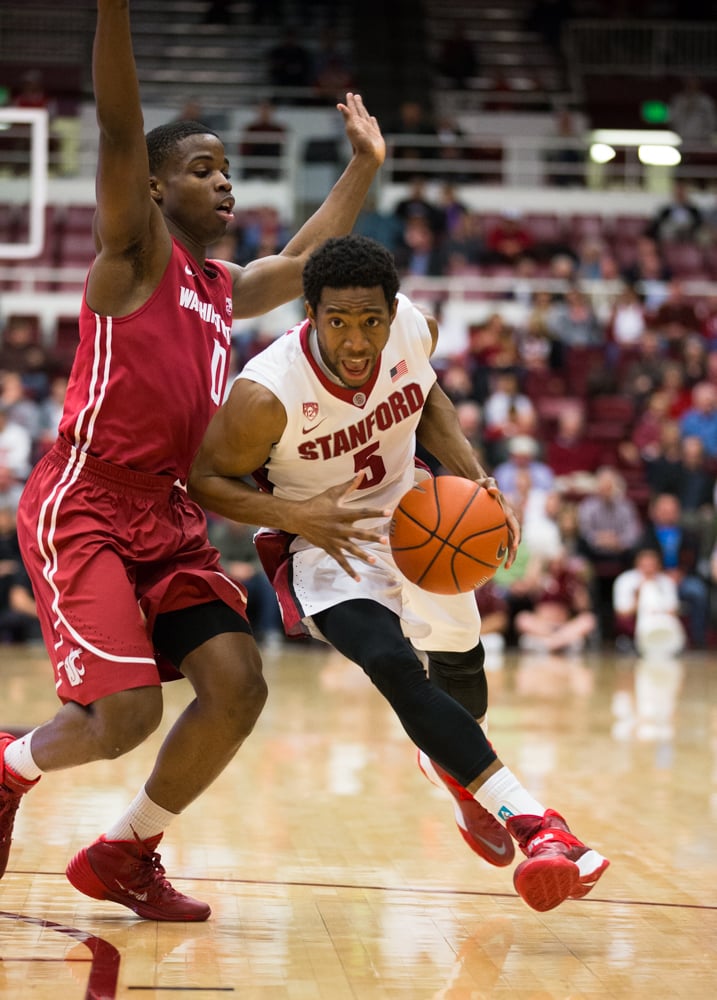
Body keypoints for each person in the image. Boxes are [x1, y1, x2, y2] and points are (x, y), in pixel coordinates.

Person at [0, 0, 386, 921]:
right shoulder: (131, 259)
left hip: (168, 512)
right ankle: (8, 766)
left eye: (227, 170)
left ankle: (129, 852)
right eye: (201, 170)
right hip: (87, 501)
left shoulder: (222, 288)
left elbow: (307, 258)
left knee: (237, 684)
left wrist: (363, 165)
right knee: (122, 719)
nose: (224, 185)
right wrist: (114, 12)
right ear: (154, 189)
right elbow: (121, 124)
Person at [188, 233, 610, 913]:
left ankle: (453, 772)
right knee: (390, 661)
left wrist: (477, 479)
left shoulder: (414, 329)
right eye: (338, 323)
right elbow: (204, 478)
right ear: (309, 313)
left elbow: (429, 397)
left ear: (393, 312)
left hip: (416, 519)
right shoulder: (265, 393)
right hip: (323, 542)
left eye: (371, 322)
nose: (357, 342)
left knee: (461, 688)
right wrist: (296, 514)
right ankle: (540, 827)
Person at [239, 101, 286, 180]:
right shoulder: (251, 129)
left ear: (272, 112)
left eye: (267, 111)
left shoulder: (278, 129)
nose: (265, 113)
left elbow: (282, 149)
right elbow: (244, 148)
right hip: (253, 162)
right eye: (262, 111)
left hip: (272, 163)